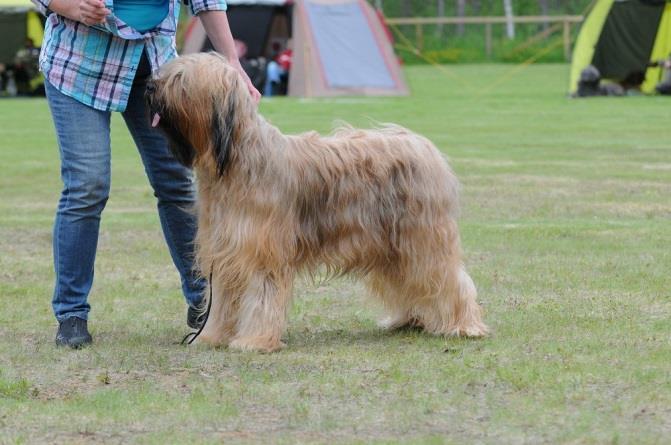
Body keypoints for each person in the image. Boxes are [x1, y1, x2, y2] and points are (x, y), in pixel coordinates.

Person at [30, 0, 260, 348]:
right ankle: (72, 312)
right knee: (87, 186)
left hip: (155, 71)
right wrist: (69, 6)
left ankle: (203, 299)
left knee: (177, 184)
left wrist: (231, 59)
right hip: (80, 68)